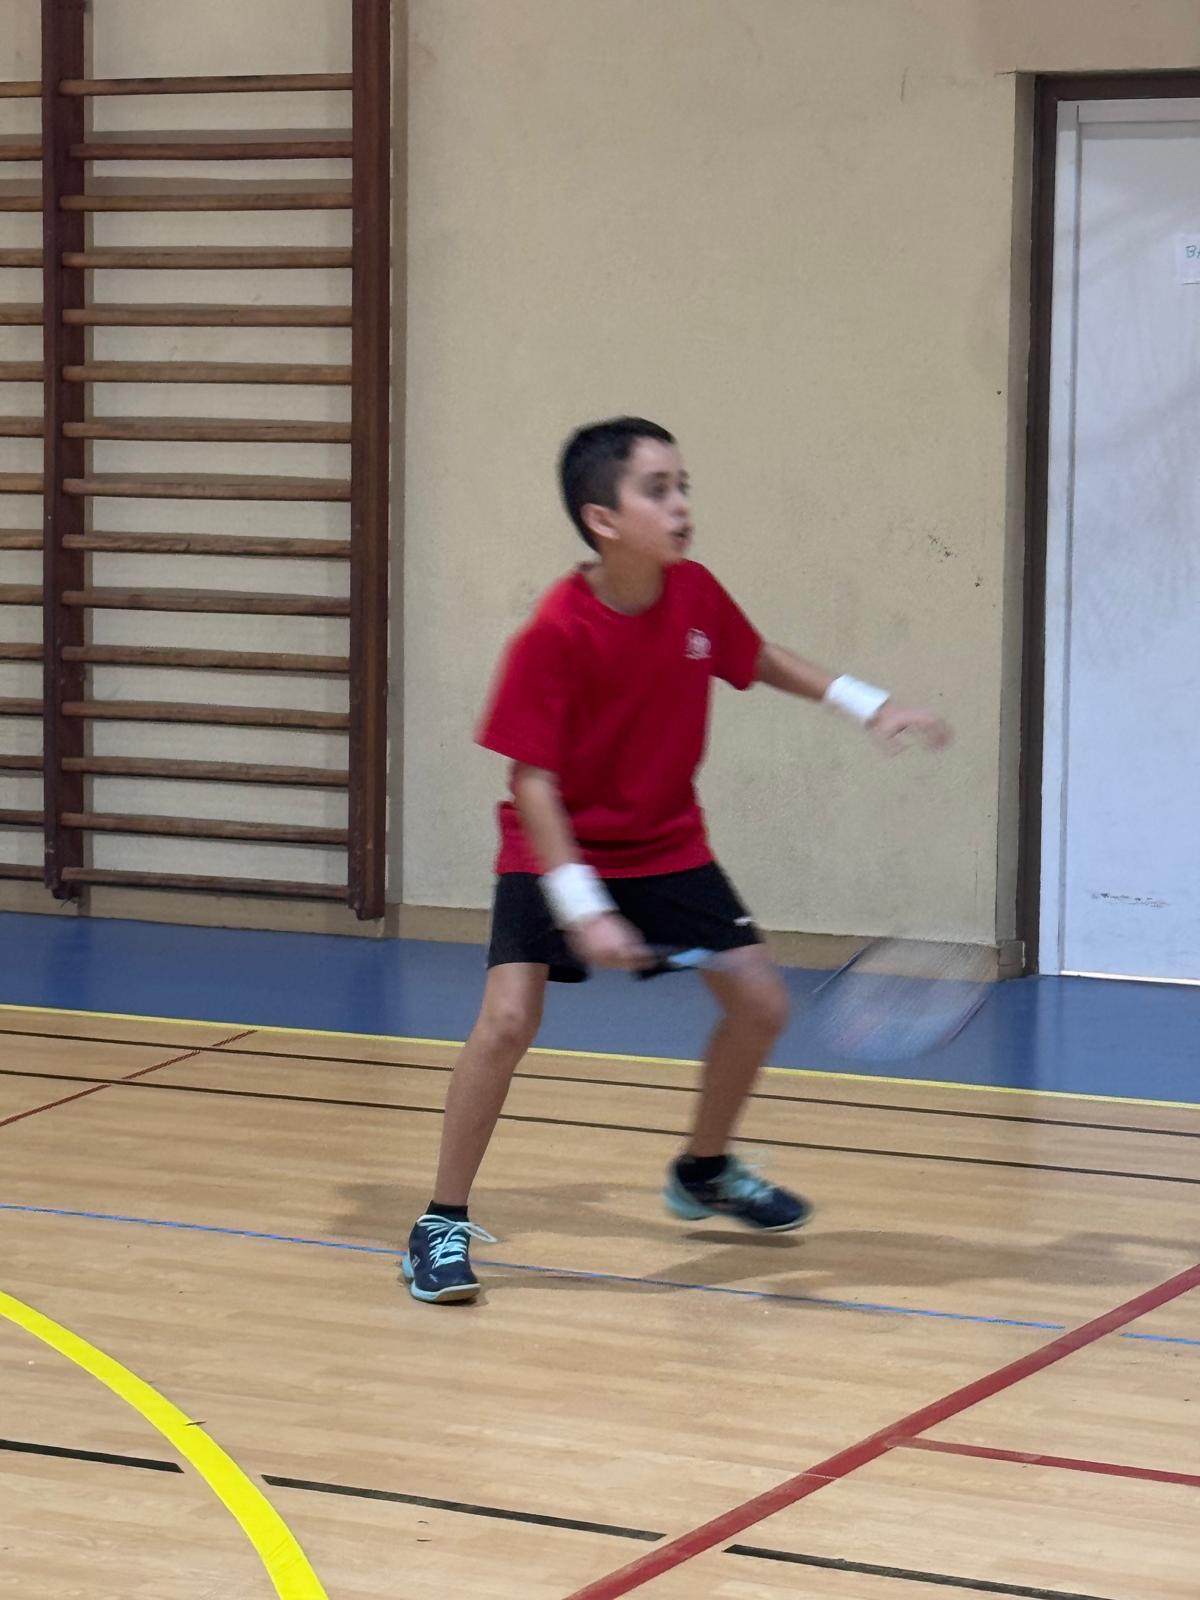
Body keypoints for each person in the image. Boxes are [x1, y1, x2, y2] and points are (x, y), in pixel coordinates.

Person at [403, 417, 950, 1304]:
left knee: (762, 1003)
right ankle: (440, 1221)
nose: (681, 505)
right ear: (603, 519)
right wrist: (583, 907)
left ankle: (703, 1169)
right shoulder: (554, 632)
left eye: (683, 486)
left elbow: (755, 655)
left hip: (665, 843)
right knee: (506, 1021)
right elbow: (532, 783)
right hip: (555, 846)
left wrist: (867, 704)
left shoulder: (693, 593)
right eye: (657, 490)